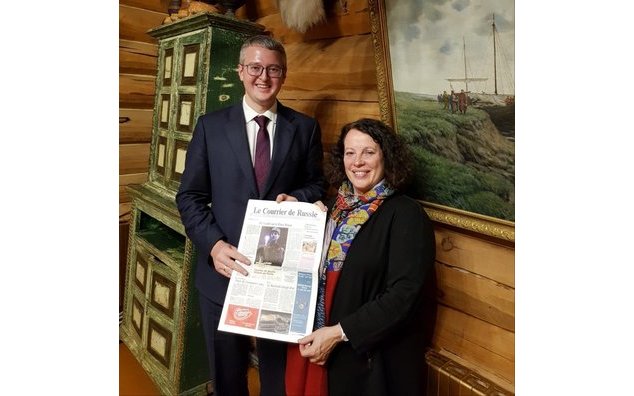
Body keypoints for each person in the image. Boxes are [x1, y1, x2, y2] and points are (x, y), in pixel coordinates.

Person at [176, 35, 326, 396]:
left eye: (273, 69)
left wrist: (298, 198)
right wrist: (213, 245)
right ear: (241, 72)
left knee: (278, 376)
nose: (264, 76)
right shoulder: (210, 127)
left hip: (281, 278)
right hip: (223, 273)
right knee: (228, 378)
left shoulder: (304, 128)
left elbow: (317, 185)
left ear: (284, 74)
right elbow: (190, 197)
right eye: (255, 67)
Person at [285, 118, 436, 396]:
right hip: (313, 347)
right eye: (350, 153)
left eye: (369, 152)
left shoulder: (405, 215)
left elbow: (403, 296)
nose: (358, 162)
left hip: (366, 362)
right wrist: (295, 219)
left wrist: (337, 333)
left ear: (386, 157)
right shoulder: (330, 208)